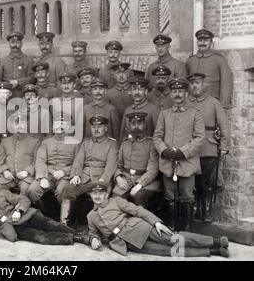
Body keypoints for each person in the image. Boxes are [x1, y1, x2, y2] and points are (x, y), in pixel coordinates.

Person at [85, 183, 230, 258]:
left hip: (139, 228)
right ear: (91, 196)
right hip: (126, 243)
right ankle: (213, 251)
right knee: (169, 251)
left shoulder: (116, 201)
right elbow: (93, 233)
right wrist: (93, 239)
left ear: (106, 194)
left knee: (173, 238)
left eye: (101, 193)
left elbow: (138, 210)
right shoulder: (91, 216)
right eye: (94, 193)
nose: (97, 196)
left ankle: (215, 241)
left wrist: (156, 222)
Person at [153, 77, 205, 231]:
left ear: (186, 94)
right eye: (174, 91)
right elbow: (157, 137)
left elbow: (200, 138)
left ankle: (186, 228)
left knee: (187, 196)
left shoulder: (196, 114)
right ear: (170, 95)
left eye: (180, 91)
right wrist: (164, 150)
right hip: (168, 163)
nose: (177, 94)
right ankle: (172, 226)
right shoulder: (164, 114)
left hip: (187, 163)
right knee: (170, 196)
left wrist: (183, 152)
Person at [0, 176, 80, 245]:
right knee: (40, 237)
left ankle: (79, 237)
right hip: (14, 228)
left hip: (28, 215)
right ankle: (71, 239)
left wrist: (19, 211)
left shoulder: (2, 193)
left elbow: (23, 199)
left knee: (51, 225)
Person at [187, 73, 230, 222]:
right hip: (191, 150)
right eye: (192, 83)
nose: (194, 86)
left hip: (208, 148)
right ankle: (193, 212)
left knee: (208, 184)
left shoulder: (213, 103)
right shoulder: (187, 103)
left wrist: (224, 145)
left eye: (197, 83)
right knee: (193, 183)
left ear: (203, 84)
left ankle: (206, 212)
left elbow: (224, 124)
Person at [62, 115, 118, 225]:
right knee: (68, 189)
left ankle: (95, 227)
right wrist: (76, 175)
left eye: (100, 126)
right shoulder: (85, 142)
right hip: (84, 178)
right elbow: (79, 160)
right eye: (93, 127)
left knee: (100, 193)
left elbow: (111, 165)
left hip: (101, 178)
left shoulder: (112, 144)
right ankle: (65, 225)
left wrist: (104, 180)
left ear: (106, 128)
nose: (96, 129)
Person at [28, 112, 80, 206]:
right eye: (56, 123)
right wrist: (43, 177)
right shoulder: (46, 142)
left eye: (62, 123)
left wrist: (64, 172)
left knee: (63, 190)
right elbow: (40, 161)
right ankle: (45, 214)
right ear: (53, 126)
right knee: (33, 189)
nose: (59, 125)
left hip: (66, 177)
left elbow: (78, 163)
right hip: (48, 174)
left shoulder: (75, 143)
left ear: (68, 126)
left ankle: (63, 218)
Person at [112, 112, 161, 208]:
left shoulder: (151, 144)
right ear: (129, 126)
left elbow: (153, 170)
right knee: (115, 201)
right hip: (126, 179)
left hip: (147, 182)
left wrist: (139, 185)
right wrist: (118, 178)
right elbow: (118, 165)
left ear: (145, 125)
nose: (136, 127)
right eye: (133, 124)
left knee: (139, 197)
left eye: (139, 123)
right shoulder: (125, 143)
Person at [0, 112, 40, 196]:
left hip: (26, 177)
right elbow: (0, 161)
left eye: (22, 123)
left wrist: (27, 172)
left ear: (26, 125)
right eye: (16, 123)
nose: (19, 126)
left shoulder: (34, 141)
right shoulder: (5, 141)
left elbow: (37, 161)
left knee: (25, 189)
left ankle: (21, 208)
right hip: (7, 177)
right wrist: (5, 171)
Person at [186, 29, 233, 110]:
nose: (202, 43)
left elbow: (226, 84)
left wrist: (223, 106)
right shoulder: (191, 60)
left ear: (211, 43)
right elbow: (185, 82)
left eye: (206, 40)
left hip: (212, 104)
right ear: (197, 43)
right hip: (192, 104)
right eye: (200, 40)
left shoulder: (219, 60)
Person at [119, 75, 159, 141]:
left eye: (140, 89)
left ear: (146, 92)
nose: (137, 93)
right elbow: (122, 135)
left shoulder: (153, 109)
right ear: (131, 92)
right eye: (134, 90)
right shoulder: (127, 110)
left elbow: (157, 134)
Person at [0, 31, 34, 97]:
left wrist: (18, 82)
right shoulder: (3, 61)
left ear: (21, 44)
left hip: (23, 95)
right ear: (9, 44)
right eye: (12, 42)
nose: (15, 45)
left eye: (18, 42)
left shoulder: (28, 60)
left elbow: (32, 78)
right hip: (7, 95)